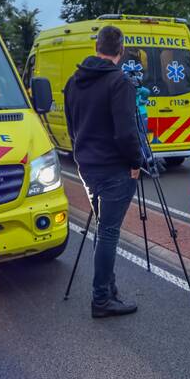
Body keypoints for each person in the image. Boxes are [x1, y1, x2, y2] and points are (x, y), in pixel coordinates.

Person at [63, 25, 142, 318]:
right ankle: (101, 299)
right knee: (109, 231)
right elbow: (125, 132)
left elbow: (72, 126)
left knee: (103, 228)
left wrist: (81, 152)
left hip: (87, 166)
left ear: (97, 46)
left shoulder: (74, 81)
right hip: (113, 168)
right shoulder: (119, 82)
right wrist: (136, 162)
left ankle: (109, 290)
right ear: (120, 50)